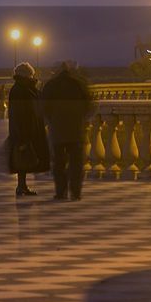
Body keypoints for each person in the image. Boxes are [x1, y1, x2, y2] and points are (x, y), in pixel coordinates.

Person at [40, 60, 93, 201]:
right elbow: (89, 104)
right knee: (76, 163)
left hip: (57, 129)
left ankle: (60, 192)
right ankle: (75, 192)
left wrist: (52, 118)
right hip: (76, 129)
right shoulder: (79, 84)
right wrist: (81, 117)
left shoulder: (51, 85)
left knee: (58, 163)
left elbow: (43, 106)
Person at [5, 62, 49, 196]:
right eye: (31, 75)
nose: (32, 77)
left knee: (24, 159)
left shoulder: (24, 88)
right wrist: (22, 136)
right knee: (23, 158)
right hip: (24, 129)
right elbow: (21, 113)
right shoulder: (21, 90)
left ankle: (22, 186)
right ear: (27, 75)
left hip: (27, 128)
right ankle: (21, 186)